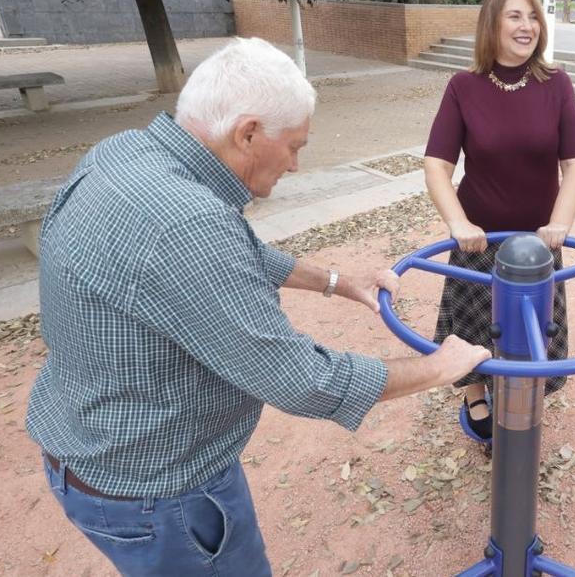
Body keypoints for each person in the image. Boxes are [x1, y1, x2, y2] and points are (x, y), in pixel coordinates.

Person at [25, 37, 491, 577]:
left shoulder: (126, 153)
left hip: (92, 445)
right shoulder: (186, 224)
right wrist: (439, 367)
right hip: (160, 486)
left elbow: (235, 253)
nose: (295, 164)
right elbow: (304, 380)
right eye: (294, 146)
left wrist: (339, 281)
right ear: (247, 132)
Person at [423, 0, 575, 440]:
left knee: (534, 332)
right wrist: (459, 222)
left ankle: (522, 393)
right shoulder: (464, 87)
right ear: (492, 24)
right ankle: (475, 393)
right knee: (477, 326)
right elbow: (437, 164)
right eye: (515, 16)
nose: (528, 26)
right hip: (479, 239)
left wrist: (560, 223)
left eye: (533, 16)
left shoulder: (556, 84)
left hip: (538, 245)